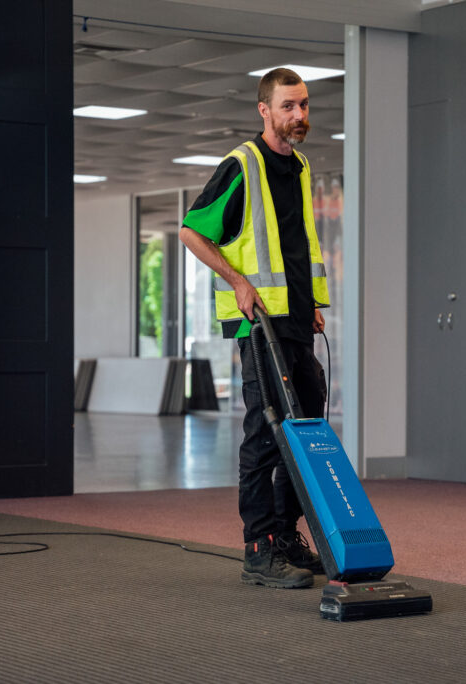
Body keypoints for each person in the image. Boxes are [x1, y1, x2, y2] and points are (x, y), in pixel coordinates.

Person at [179, 68, 330, 589]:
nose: (299, 115)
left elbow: (297, 243)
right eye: (288, 106)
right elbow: (192, 232)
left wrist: (311, 301)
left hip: (296, 318)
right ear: (264, 110)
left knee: (305, 424)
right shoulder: (241, 165)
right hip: (259, 323)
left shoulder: (301, 167)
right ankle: (258, 549)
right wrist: (238, 282)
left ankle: (286, 535)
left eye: (304, 105)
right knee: (266, 431)